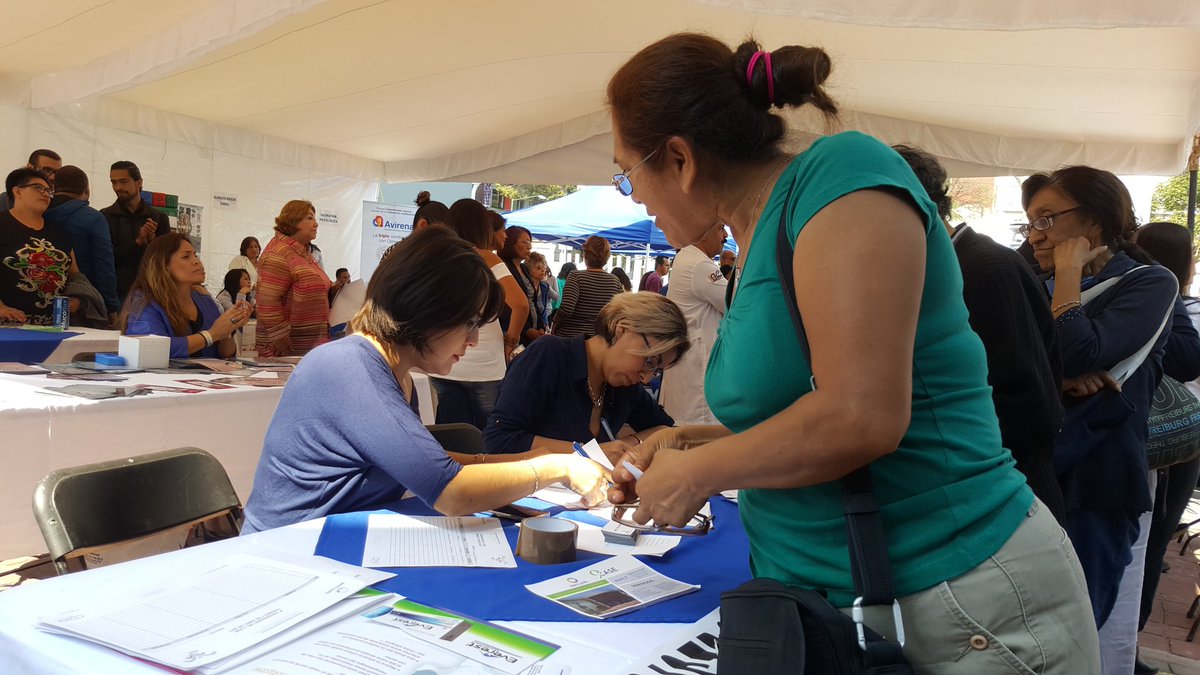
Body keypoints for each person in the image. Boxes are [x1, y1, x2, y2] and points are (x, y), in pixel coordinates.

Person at [604, 33, 1099, 674]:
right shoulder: (757, 235)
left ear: (679, 158)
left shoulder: (842, 175)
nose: (635, 198)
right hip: (849, 606)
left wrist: (698, 472)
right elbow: (806, 412)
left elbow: (861, 416)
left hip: (959, 606)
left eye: (626, 174)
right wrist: (690, 442)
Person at [241, 226, 609, 533]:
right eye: (468, 323)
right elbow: (450, 491)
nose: (473, 340)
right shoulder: (348, 368)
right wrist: (553, 467)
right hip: (287, 553)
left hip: (331, 541)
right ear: (426, 309)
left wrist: (529, 458)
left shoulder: (391, 372)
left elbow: (426, 463)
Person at [1022, 166, 1179, 673]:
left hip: (1098, 479)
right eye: (1030, 222)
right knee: (1023, 623)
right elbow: (1003, 363)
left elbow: (1078, 350)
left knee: (1074, 632)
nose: (1035, 234)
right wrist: (1059, 379)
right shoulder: (1031, 282)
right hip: (1031, 468)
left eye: (1047, 219)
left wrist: (1069, 276)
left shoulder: (1150, 282)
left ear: (1094, 220)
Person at [893, 144, 1068, 524]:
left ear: (912, 207)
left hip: (1009, 504)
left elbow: (1030, 406)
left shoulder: (987, 269)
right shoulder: (943, 268)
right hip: (977, 497)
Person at [485, 292, 685, 458]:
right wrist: (591, 453)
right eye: (650, 361)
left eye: (657, 371)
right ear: (622, 329)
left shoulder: (624, 385)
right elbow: (499, 441)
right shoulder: (549, 355)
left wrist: (631, 443)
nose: (647, 378)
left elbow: (666, 430)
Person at [1132, 221, 1200, 674]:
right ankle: (1129, 648)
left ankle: (1124, 646)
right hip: (1180, 442)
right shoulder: (1184, 310)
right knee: (1152, 545)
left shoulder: (1132, 296)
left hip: (1134, 435)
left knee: (1139, 542)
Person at [431, 199, 529, 429]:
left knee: (453, 434)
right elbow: (521, 305)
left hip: (443, 358)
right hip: (485, 362)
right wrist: (510, 342)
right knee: (490, 434)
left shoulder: (436, 258)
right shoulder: (488, 258)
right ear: (481, 226)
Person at [120, 233, 249, 358]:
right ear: (164, 265)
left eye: (195, 255)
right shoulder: (145, 303)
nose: (197, 262)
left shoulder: (205, 301)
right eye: (186, 257)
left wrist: (228, 327)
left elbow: (225, 353)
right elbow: (151, 349)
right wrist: (211, 335)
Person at [661, 223, 728, 426]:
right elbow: (736, 303)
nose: (725, 235)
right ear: (705, 232)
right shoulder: (700, 264)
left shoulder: (687, 257)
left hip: (689, 358)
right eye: (721, 228)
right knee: (697, 429)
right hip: (696, 364)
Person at [0, 168, 79, 324]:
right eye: (38, 188)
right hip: (8, 326)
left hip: (54, 325)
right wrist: (1, 308)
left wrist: (77, 297)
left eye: (49, 191)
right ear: (17, 191)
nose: (45, 194)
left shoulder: (59, 232)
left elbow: (75, 274)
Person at [256, 200, 332, 357]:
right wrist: (281, 339)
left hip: (307, 347)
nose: (316, 224)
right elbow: (268, 303)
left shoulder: (302, 252)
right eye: (309, 218)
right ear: (293, 220)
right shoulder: (278, 253)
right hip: (286, 351)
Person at [44, 166, 121, 317]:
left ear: (54, 188)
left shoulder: (39, 213)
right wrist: (111, 308)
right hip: (81, 302)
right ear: (86, 191)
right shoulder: (93, 218)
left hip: (40, 296)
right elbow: (104, 266)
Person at [101, 161, 171, 303]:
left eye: (123, 181)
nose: (118, 187)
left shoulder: (159, 218)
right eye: (114, 182)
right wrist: (137, 242)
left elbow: (167, 260)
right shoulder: (105, 216)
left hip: (152, 292)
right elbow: (105, 259)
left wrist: (152, 241)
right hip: (117, 294)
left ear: (139, 183)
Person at [552, 236, 623, 338]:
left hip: (572, 338)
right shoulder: (615, 281)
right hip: (599, 339)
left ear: (585, 254)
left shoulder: (575, 276)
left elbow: (567, 308)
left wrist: (555, 322)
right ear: (607, 257)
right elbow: (620, 311)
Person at [498, 225, 540, 344]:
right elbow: (506, 306)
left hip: (532, 329)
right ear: (511, 243)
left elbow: (533, 300)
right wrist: (527, 330)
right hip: (513, 331)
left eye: (530, 242)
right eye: (525, 242)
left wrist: (540, 326)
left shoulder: (524, 268)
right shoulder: (503, 267)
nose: (529, 246)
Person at [527, 251, 554, 334]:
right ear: (529, 271)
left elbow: (543, 310)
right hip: (527, 327)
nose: (543, 270)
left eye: (544, 268)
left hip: (541, 326)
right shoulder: (525, 286)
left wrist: (544, 326)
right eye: (538, 268)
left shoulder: (544, 286)